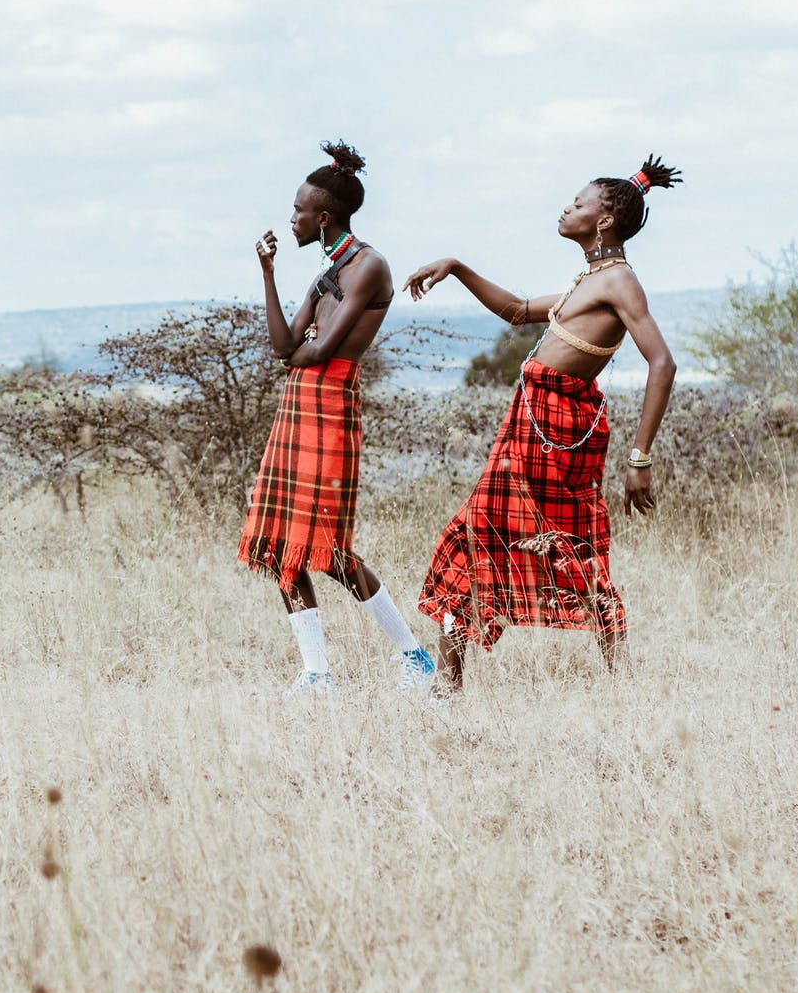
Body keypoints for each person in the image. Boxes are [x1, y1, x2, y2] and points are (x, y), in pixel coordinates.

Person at [403, 156, 681, 693]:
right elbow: (515, 310)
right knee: (543, 544)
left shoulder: (620, 281)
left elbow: (662, 363)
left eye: (578, 203)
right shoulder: (592, 280)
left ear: (603, 221)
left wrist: (639, 458)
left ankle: (447, 687)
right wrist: (456, 267)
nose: (566, 208)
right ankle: (453, 684)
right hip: (538, 424)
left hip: (556, 429)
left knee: (491, 537)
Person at [240, 141, 438, 696]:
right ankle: (317, 674)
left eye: (299, 210)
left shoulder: (369, 265)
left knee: (328, 549)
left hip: (328, 407)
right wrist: (268, 272)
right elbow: (285, 346)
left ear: (323, 216)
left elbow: (317, 352)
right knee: (280, 544)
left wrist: (304, 347)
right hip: (297, 405)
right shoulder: (327, 272)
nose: (292, 217)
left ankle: (414, 655)